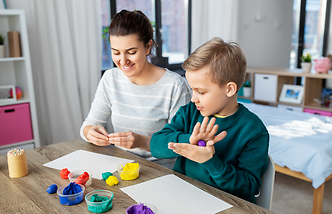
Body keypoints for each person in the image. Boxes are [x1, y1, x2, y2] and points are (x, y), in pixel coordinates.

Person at [150, 37, 269, 203]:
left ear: (229, 89)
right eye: (192, 90)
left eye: (201, 92)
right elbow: (155, 145)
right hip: (183, 197)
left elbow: (249, 186)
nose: (193, 99)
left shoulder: (253, 130)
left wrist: (210, 161)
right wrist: (190, 139)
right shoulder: (189, 112)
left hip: (227, 207)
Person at [80, 10, 190, 160]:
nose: (123, 61)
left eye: (131, 52)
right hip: (121, 165)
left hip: (162, 170)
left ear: (147, 47)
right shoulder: (110, 79)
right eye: (116, 52)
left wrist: (141, 142)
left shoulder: (175, 86)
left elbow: (183, 144)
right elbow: (88, 125)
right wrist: (90, 133)